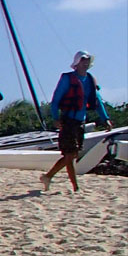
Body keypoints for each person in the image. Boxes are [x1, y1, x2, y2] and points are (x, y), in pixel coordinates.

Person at [41, 51, 113, 192]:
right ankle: (76, 187)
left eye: (87, 61)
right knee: (69, 155)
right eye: (82, 60)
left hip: (80, 122)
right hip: (68, 121)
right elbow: (55, 100)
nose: (85, 63)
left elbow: (97, 101)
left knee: (72, 155)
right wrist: (55, 118)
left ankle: (48, 176)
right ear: (77, 63)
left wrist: (105, 119)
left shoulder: (90, 80)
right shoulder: (68, 79)